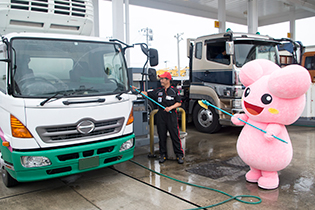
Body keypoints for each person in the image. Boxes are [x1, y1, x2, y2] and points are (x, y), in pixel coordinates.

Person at [132, 71, 184, 164]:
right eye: (160, 79)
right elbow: (146, 94)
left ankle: (179, 155)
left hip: (171, 115)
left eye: (163, 79)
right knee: (162, 136)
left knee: (175, 136)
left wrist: (170, 107)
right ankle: (162, 155)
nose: (161, 80)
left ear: (168, 80)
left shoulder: (174, 91)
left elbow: (179, 102)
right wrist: (138, 91)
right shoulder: (158, 91)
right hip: (161, 115)